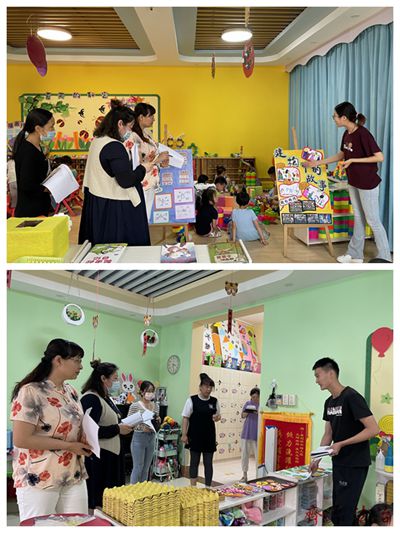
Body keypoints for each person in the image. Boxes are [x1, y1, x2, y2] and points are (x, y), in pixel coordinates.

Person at [10, 339, 92, 523]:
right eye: (77, 361)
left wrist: (85, 439)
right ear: (58, 360)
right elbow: (21, 439)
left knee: (78, 524)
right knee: (41, 526)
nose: (81, 366)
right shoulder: (30, 391)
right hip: (39, 477)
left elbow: (74, 428)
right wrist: (69, 446)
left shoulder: (71, 392)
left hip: (73, 475)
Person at [303, 102, 391, 263]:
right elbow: (342, 154)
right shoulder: (347, 133)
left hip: (367, 183)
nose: (334, 119)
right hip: (354, 181)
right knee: (358, 217)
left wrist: (353, 161)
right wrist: (317, 163)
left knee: (372, 220)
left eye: (335, 116)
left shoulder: (363, 134)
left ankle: (385, 256)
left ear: (344, 117)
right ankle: (355, 255)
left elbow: (379, 157)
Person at [78, 99, 169, 246]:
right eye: (130, 127)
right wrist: (144, 167)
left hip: (97, 196)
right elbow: (126, 180)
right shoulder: (115, 146)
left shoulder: (98, 141)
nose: (130, 132)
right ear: (120, 124)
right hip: (114, 202)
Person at [310, 357, 379, 526]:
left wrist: (342, 443)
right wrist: (316, 459)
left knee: (345, 511)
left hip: (355, 462)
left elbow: (373, 429)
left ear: (331, 373)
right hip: (339, 461)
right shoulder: (329, 402)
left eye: (318, 375)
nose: (316, 381)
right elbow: (328, 434)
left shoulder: (352, 397)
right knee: (338, 510)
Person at [80, 360, 133, 512]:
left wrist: (123, 426)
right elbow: (89, 431)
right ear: (103, 378)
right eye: (115, 379)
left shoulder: (105, 397)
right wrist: (117, 429)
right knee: (99, 498)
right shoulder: (91, 398)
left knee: (112, 498)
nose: (117, 383)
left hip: (112, 454)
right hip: (100, 457)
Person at [181, 373, 221, 488]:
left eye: (211, 387)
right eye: (206, 386)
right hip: (194, 436)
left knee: (208, 463)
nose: (209, 389)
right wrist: (184, 434)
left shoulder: (214, 401)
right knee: (194, 462)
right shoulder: (192, 400)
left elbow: (218, 416)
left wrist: (217, 418)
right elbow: (185, 418)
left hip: (209, 437)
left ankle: (208, 488)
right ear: (200, 387)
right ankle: (193, 487)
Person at [12, 108, 54, 217]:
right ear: (38, 128)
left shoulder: (37, 147)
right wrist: (47, 188)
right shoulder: (28, 151)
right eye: (51, 127)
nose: (53, 130)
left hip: (39, 207)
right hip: (31, 211)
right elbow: (26, 185)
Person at [130, 103, 164, 221]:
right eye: (151, 116)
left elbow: (150, 156)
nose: (153, 119)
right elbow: (136, 162)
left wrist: (160, 161)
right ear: (141, 117)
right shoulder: (133, 136)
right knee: (141, 216)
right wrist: (157, 159)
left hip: (150, 182)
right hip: (142, 182)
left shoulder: (145, 134)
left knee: (146, 214)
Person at [128, 380, 160, 484]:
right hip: (139, 438)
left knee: (146, 468)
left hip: (151, 437)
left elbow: (155, 420)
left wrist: (158, 421)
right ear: (142, 392)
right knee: (138, 467)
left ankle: (143, 490)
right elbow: (128, 424)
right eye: (148, 391)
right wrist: (141, 428)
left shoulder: (156, 406)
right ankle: (133, 490)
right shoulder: (135, 406)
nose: (150, 393)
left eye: (152, 391)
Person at [240, 388, 260, 482]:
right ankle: (244, 475)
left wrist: (257, 412)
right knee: (244, 455)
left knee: (258, 457)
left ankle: (258, 476)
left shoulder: (261, 405)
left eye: (256, 397)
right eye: (253, 397)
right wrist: (247, 411)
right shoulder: (248, 403)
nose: (254, 399)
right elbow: (242, 415)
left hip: (257, 434)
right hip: (246, 433)